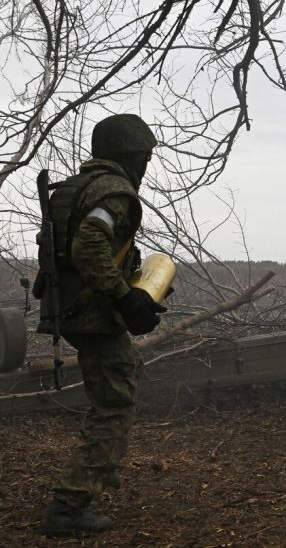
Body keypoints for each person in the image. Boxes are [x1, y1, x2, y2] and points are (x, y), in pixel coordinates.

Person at [37, 114, 167, 536]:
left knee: (115, 388)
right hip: (92, 313)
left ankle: (94, 475)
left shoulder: (79, 186)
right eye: (144, 157)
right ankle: (68, 507)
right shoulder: (113, 192)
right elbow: (88, 243)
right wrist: (126, 297)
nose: (146, 165)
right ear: (130, 156)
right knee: (114, 406)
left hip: (73, 308)